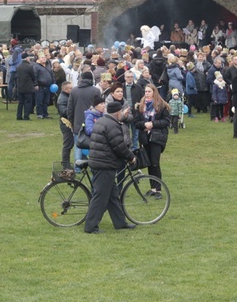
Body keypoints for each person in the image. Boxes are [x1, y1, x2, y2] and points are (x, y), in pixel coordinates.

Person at [83, 100, 137, 234]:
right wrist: (131, 157)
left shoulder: (101, 121)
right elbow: (119, 146)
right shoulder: (112, 125)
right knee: (100, 197)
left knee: (113, 196)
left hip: (99, 161)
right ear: (118, 113)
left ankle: (120, 223)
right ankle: (90, 226)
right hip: (104, 164)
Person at [135, 83, 170, 198]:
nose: (147, 94)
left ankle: (158, 190)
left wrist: (153, 124)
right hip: (145, 138)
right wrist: (144, 124)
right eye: (145, 92)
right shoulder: (141, 106)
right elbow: (136, 123)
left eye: (149, 91)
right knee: (149, 163)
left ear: (154, 92)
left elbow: (166, 121)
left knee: (155, 163)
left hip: (157, 137)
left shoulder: (161, 105)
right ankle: (153, 188)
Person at [56, 81, 75, 165]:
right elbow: (63, 112)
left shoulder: (68, 96)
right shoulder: (62, 99)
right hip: (66, 123)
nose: (73, 89)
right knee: (68, 144)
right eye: (71, 88)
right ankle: (65, 162)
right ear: (65, 89)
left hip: (69, 122)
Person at [15, 53, 36, 121]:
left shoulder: (18, 66)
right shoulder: (29, 66)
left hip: (20, 86)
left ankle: (19, 115)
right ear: (27, 58)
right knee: (27, 102)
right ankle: (26, 116)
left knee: (20, 102)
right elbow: (33, 76)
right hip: (28, 87)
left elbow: (16, 76)